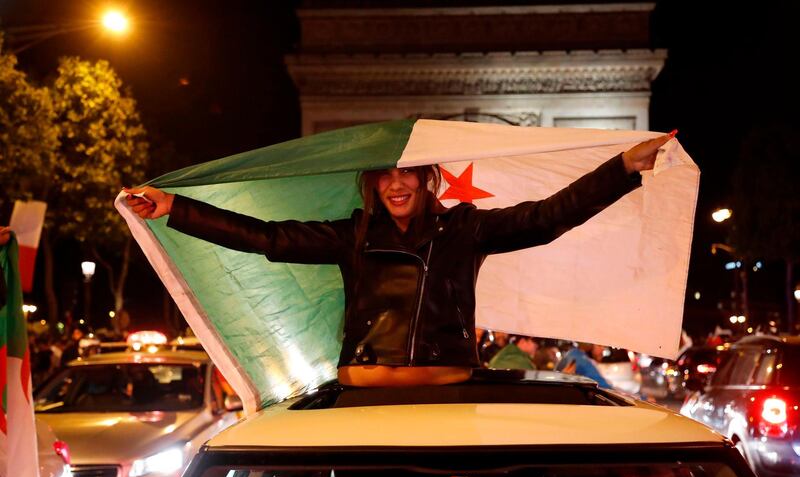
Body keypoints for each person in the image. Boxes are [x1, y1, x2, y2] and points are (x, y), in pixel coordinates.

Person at [125, 133, 674, 387]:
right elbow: (269, 237)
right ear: (372, 182)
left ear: (425, 177)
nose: (395, 184)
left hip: (448, 395)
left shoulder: (467, 227)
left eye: (406, 172)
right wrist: (177, 207)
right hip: (362, 398)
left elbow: (548, 217)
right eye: (383, 175)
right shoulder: (353, 235)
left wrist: (622, 167)